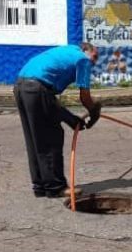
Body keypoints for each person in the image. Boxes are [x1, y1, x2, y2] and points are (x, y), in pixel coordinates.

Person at [13, 42, 102, 198]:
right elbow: (85, 97)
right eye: (95, 56)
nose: (94, 62)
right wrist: (94, 112)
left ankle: (41, 185)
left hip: (21, 86)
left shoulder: (68, 50)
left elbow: (50, 101)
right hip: (37, 89)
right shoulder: (83, 59)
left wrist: (71, 119)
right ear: (86, 50)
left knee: (35, 138)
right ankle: (55, 187)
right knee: (51, 136)